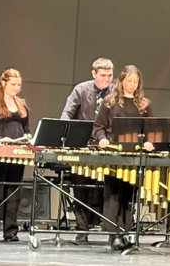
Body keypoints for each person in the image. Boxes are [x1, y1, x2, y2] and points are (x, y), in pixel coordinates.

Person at [92, 65, 154, 251]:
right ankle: (114, 235)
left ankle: (126, 232)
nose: (132, 84)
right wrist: (102, 139)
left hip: (134, 155)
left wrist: (150, 143)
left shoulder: (144, 105)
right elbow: (98, 127)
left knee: (128, 195)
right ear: (122, 81)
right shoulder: (110, 102)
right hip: (114, 154)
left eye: (135, 81)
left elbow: (151, 131)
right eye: (129, 81)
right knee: (113, 194)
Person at [60, 57, 114, 243]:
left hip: (108, 146)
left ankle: (111, 228)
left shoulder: (116, 92)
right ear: (94, 74)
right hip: (84, 146)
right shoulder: (81, 89)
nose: (107, 80)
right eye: (103, 76)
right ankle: (82, 229)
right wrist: (65, 131)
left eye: (110, 76)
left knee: (112, 187)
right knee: (80, 187)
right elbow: (67, 113)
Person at [0, 69, 30, 242]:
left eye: (19, 85)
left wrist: (27, 140)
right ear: (3, 83)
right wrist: (1, 140)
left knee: (14, 191)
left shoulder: (22, 105)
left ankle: (11, 232)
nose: (17, 88)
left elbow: (26, 130)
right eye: (13, 85)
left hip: (16, 153)